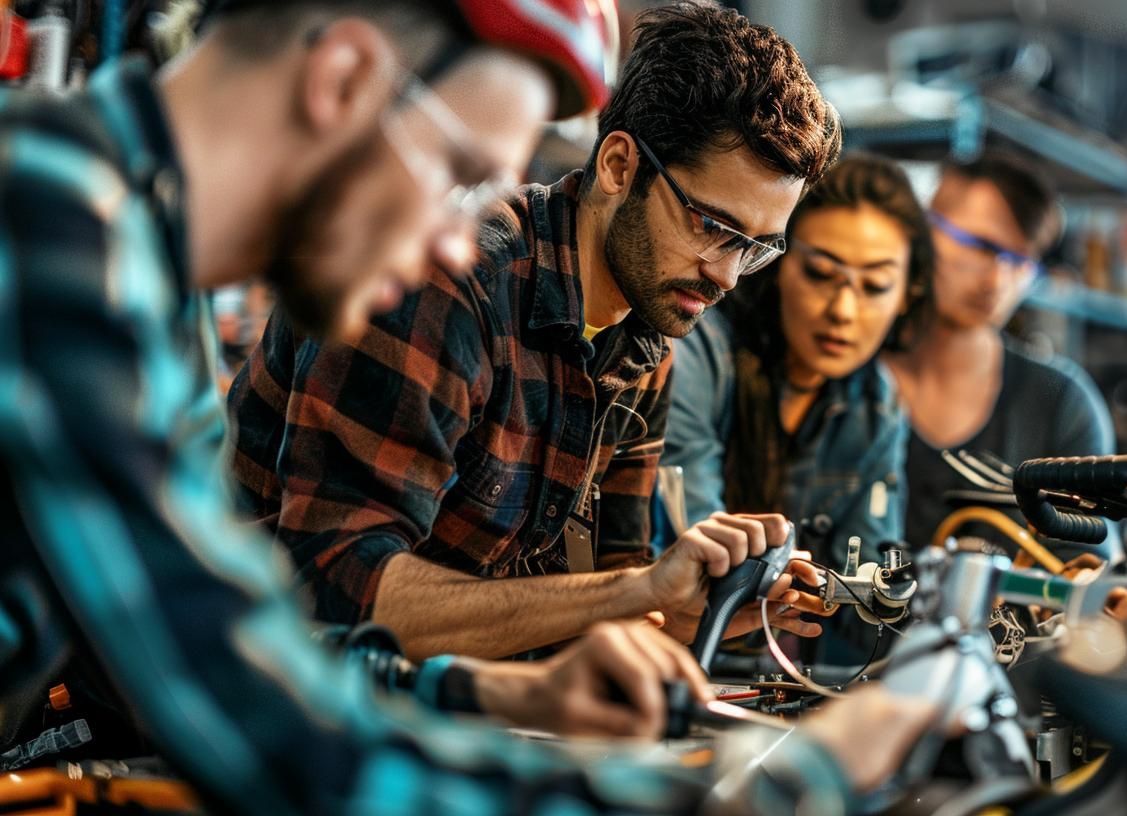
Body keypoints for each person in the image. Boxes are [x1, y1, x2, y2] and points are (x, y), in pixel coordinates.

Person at [0, 0, 937, 811]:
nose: (456, 243)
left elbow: (264, 650)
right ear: (344, 79)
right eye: (457, 172)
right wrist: (777, 793)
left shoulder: (142, 269)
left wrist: (499, 698)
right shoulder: (51, 231)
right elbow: (274, 727)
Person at [228, 0, 838, 661]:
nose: (726, 275)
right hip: (237, 691)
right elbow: (336, 588)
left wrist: (695, 611)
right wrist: (633, 592)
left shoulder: (648, 334)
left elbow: (601, 600)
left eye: (756, 249)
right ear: (618, 166)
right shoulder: (448, 280)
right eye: (713, 228)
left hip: (439, 705)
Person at [659, 153, 933, 667]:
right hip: (657, 656)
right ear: (779, 262)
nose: (843, 311)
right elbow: (697, 562)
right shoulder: (701, 354)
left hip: (769, 677)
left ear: (906, 295)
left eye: (874, 286)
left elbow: (872, 590)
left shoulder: (876, 406)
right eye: (821, 273)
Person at [885, 152, 1115, 552]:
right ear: (924, 228)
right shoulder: (849, 379)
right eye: (980, 246)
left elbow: (1088, 571)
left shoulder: (1060, 403)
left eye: (1019, 261)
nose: (997, 279)